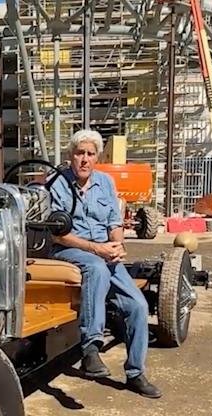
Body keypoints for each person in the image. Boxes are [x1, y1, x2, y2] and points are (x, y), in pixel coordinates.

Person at [46, 129, 161, 398]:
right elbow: (57, 233)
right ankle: (91, 347)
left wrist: (117, 245)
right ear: (70, 156)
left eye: (90, 153)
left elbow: (114, 222)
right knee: (96, 268)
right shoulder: (56, 184)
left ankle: (135, 373)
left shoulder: (106, 183)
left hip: (104, 253)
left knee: (138, 305)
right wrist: (95, 248)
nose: (84, 159)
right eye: (79, 153)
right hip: (70, 249)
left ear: (97, 157)